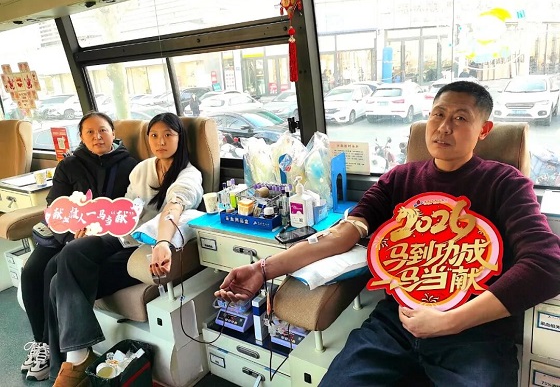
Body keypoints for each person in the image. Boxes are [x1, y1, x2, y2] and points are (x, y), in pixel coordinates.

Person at [215, 81, 560, 386]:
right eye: (438, 115)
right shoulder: (400, 179)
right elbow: (341, 236)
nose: (444, 127)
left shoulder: (505, 183)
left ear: (484, 130)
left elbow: (546, 264)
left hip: (473, 331)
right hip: (395, 324)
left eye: (460, 118)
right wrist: (263, 269)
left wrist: (452, 321)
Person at [48, 113, 203, 386]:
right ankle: (77, 355)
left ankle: (75, 358)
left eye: (168, 135)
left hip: (145, 245)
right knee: (71, 252)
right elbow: (127, 209)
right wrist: (94, 225)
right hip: (122, 237)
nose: (160, 141)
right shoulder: (142, 169)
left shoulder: (189, 175)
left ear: (180, 138)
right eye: (154, 135)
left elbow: (174, 208)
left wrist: (162, 242)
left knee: (58, 283)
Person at [20, 111, 138, 382]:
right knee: (31, 271)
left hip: (98, 239)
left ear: (113, 133)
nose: (98, 137)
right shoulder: (69, 165)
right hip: (65, 234)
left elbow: (130, 211)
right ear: (82, 137)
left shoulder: (130, 165)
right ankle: (41, 343)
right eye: (90, 132)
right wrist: (69, 236)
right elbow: (54, 206)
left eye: (103, 130)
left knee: (53, 270)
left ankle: (60, 351)